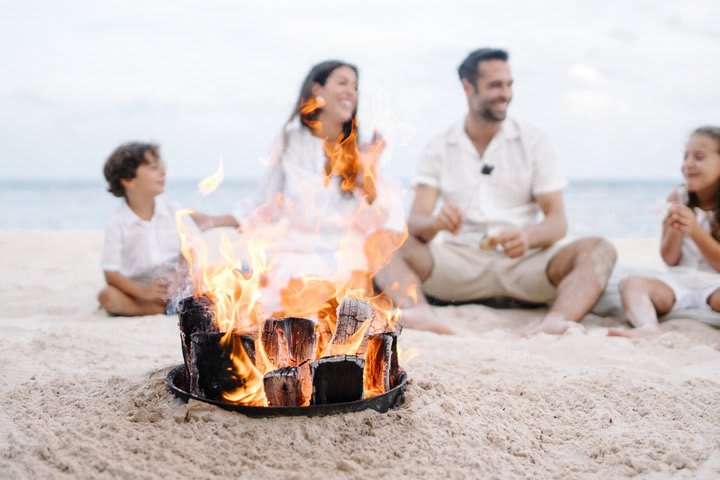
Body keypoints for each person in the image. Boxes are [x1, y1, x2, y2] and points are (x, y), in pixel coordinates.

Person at [375, 48, 617, 335]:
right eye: (495, 85)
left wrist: (528, 237)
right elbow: (416, 222)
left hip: (524, 264)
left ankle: (556, 320)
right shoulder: (439, 146)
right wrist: (438, 222)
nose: (506, 94)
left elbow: (557, 222)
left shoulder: (534, 141)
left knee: (599, 249)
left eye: (509, 84)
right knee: (378, 239)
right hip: (459, 263)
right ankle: (420, 312)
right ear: (468, 87)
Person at [231, 60, 448, 333]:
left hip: (348, 247)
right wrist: (210, 220)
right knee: (295, 297)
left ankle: (419, 312)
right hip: (301, 248)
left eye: (355, 87)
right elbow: (264, 203)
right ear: (317, 89)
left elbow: (378, 213)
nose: (351, 92)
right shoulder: (291, 141)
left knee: (375, 252)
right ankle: (390, 317)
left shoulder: (361, 146)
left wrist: (369, 171)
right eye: (342, 83)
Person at [98, 142, 238, 316]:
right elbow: (111, 273)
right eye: (153, 167)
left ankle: (175, 306)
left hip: (178, 283)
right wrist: (145, 292)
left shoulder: (174, 211)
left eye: (162, 166)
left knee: (227, 274)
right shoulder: (117, 223)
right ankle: (157, 309)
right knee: (107, 296)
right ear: (128, 180)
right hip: (141, 290)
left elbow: (192, 248)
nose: (163, 172)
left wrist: (177, 277)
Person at [609, 126, 720, 344]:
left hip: (715, 283)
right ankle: (647, 326)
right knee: (631, 283)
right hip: (678, 280)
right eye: (686, 156)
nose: (688, 164)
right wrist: (676, 231)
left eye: (699, 157)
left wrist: (696, 231)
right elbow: (669, 258)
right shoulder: (677, 197)